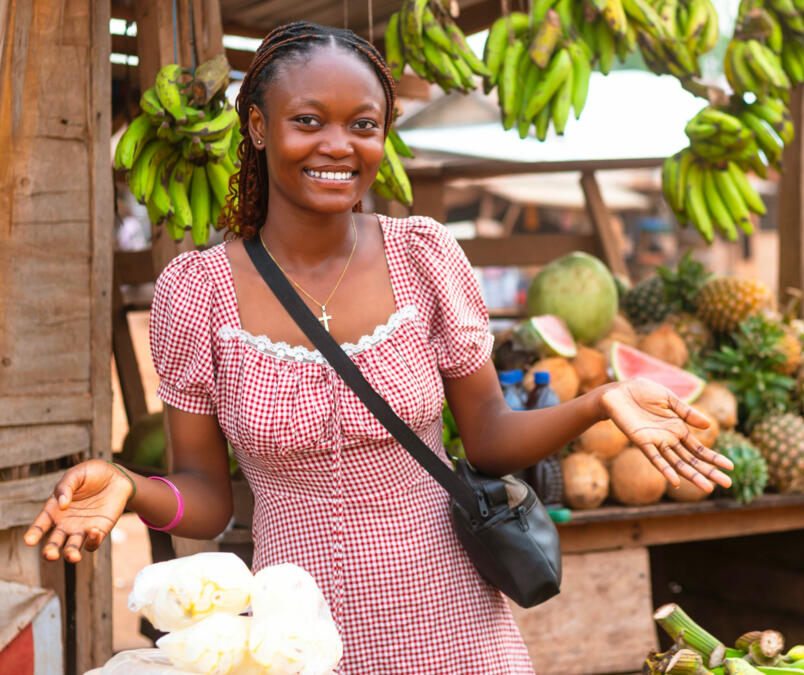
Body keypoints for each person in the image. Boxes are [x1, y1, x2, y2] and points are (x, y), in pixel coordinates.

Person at [23, 22, 732, 674]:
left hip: (455, 625)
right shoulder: (198, 291)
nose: (339, 146)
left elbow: (488, 437)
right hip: (295, 640)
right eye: (308, 121)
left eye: (363, 125)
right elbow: (208, 501)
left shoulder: (424, 257)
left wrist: (600, 401)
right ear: (259, 127)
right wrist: (129, 485)